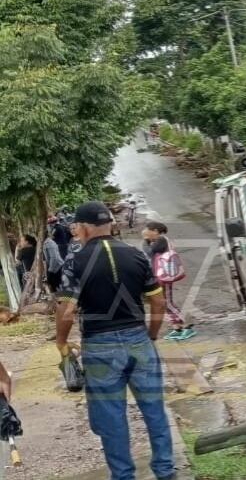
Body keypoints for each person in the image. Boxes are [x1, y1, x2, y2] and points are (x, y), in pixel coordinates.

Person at [55, 201, 176, 480]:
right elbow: (157, 302)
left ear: (83, 228)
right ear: (109, 224)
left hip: (100, 345)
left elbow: (67, 309)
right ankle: (166, 472)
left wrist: (60, 341)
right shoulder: (136, 255)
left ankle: (123, 476)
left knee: (111, 417)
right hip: (138, 339)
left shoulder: (76, 261)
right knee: (154, 410)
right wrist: (151, 335)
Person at [142, 221, 195, 341]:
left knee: (167, 303)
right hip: (160, 275)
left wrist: (145, 240)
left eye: (147, 230)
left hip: (164, 277)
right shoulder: (158, 241)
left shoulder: (161, 240)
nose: (145, 232)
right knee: (164, 303)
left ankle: (187, 324)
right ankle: (177, 328)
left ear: (155, 231)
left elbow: (148, 252)